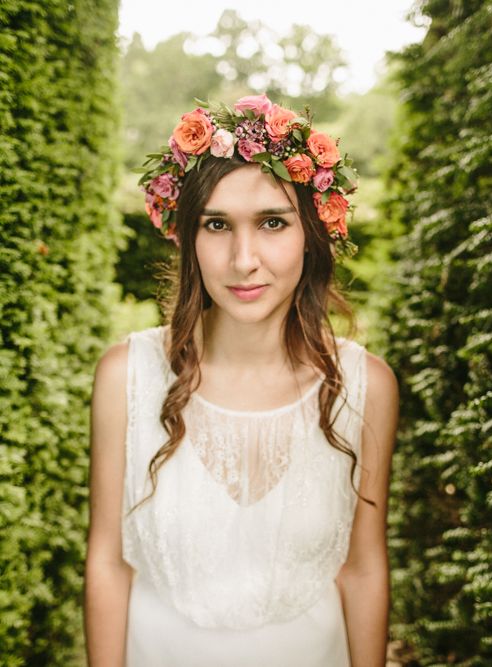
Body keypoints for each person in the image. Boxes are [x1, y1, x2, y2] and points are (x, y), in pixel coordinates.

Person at [83, 94, 399, 667]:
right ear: (189, 238)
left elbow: (363, 568)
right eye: (217, 225)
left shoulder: (366, 386)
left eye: (273, 222)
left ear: (311, 234)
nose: (244, 258)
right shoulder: (125, 377)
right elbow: (108, 562)